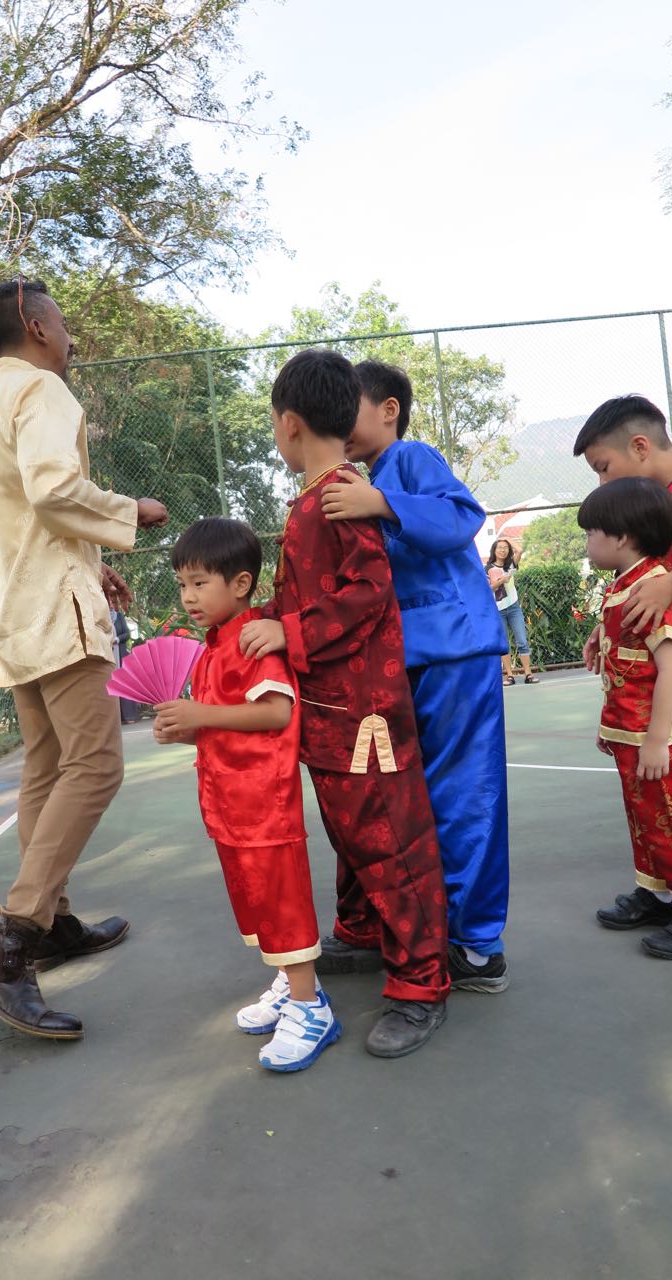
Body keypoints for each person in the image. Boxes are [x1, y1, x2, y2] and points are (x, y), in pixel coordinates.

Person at [0, 278, 168, 1040]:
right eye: (63, 321)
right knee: (97, 766)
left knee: (45, 769)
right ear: (35, 324)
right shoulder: (44, 390)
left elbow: (11, 511)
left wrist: (88, 560)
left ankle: (51, 923)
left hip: (13, 606)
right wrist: (127, 512)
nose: (70, 336)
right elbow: (51, 489)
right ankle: (9, 945)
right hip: (52, 612)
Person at [240, 350, 450, 1058]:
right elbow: (307, 594)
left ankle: (421, 983)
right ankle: (361, 933)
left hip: (365, 719)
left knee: (390, 841)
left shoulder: (336, 495)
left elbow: (368, 592)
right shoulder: (314, 499)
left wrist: (288, 630)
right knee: (351, 830)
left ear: (288, 424)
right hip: (331, 713)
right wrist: (252, 620)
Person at [318, 360, 511, 993]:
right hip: (409, 661)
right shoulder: (364, 478)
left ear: (389, 410)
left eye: (349, 407)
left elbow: (462, 515)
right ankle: (421, 929)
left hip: (455, 650)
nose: (338, 422)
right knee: (417, 800)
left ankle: (476, 945)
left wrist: (380, 503)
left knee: (464, 795)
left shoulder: (409, 458)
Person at [153, 517, 340, 1073]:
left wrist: (200, 714)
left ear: (240, 584)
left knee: (282, 902)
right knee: (256, 902)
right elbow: (223, 724)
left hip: (265, 806)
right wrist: (186, 728)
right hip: (227, 805)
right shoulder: (210, 649)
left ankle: (310, 1007)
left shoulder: (254, 637)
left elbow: (276, 712)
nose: (188, 596)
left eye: (198, 583)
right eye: (182, 584)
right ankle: (290, 983)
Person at [576, 477, 672, 957]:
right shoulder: (625, 585)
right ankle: (658, 892)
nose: (588, 541)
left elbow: (671, 667)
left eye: (592, 532)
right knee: (643, 817)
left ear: (622, 537)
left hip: (658, 734)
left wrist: (656, 740)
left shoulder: (654, 589)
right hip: (630, 728)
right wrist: (612, 726)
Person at [573, 395, 672, 669]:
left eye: (604, 468)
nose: (603, 483)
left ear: (640, 447)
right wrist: (616, 624)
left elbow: (662, 585)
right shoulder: (635, 514)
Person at [485, 538, 540, 685]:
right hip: (498, 610)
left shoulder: (510, 565)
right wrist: (501, 581)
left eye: (506, 547)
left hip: (514, 608)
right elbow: (488, 589)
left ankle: (528, 674)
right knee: (504, 644)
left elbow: (520, 550)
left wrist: (506, 538)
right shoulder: (488, 568)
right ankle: (509, 676)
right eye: (499, 547)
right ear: (494, 550)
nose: (503, 550)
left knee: (522, 641)